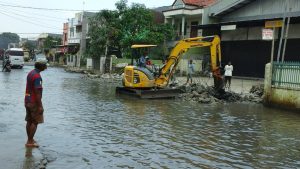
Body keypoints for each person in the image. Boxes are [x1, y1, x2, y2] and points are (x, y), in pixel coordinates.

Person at [24, 60, 47, 147]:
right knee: (35, 121)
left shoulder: (31, 73)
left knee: (29, 120)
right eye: (45, 65)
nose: (46, 67)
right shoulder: (37, 77)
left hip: (27, 100)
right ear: (41, 67)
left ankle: (30, 139)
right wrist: (40, 106)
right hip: (34, 102)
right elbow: (37, 92)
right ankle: (30, 142)